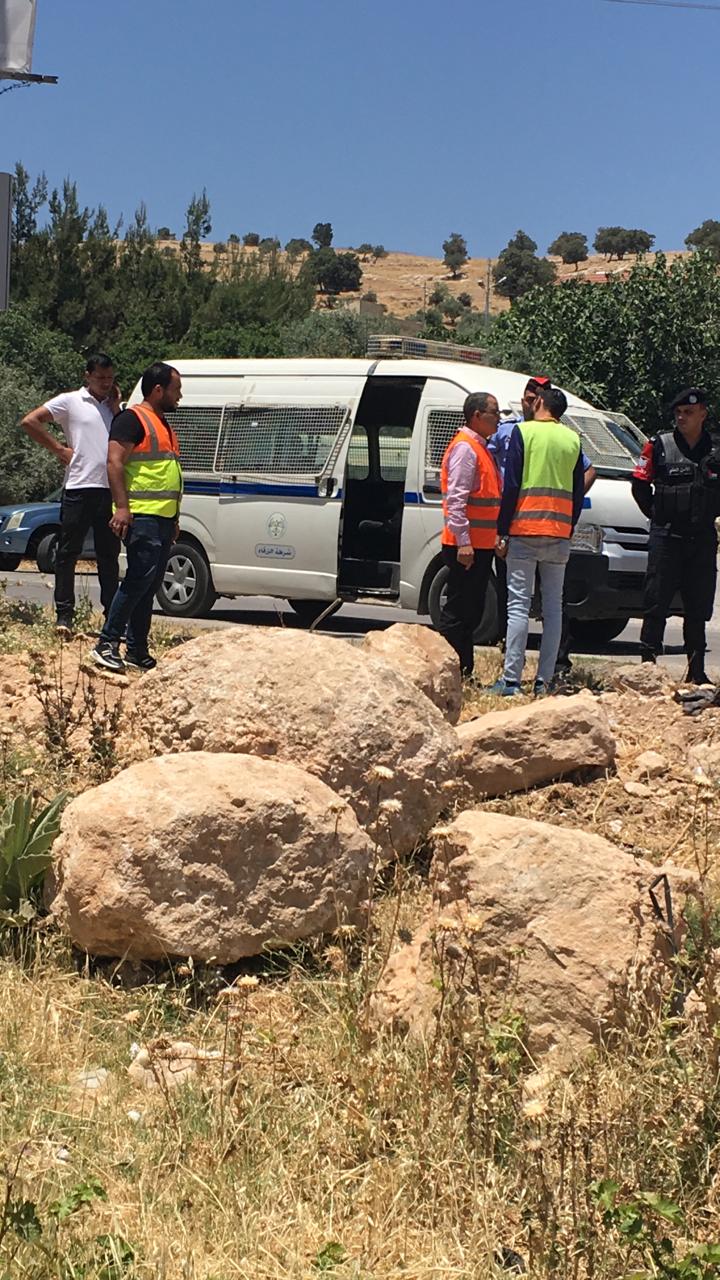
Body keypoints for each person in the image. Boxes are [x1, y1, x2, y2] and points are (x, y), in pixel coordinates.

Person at [488, 375, 596, 670]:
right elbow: (577, 490)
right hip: (558, 534)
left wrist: (502, 531)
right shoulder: (572, 439)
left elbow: (512, 485)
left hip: (524, 531)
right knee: (553, 608)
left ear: (540, 404)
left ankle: (511, 676)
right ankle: (546, 677)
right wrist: (569, 527)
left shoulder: (523, 432)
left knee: (518, 607)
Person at [91, 362, 183, 673]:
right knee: (137, 580)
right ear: (158, 390)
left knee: (149, 584)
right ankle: (107, 642)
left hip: (162, 518)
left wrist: (174, 519)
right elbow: (114, 462)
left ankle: (137, 649)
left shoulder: (162, 423)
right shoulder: (131, 419)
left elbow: (165, 473)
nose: (179, 396)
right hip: (142, 517)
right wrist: (122, 508)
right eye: (176, 389)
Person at [21, 354, 121, 633]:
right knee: (68, 552)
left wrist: (116, 407)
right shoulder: (70, 401)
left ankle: (112, 617)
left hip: (109, 489)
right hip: (79, 486)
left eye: (110, 378)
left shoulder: (115, 408)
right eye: (100, 377)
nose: (105, 383)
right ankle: (64, 615)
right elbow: (30, 421)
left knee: (108, 555)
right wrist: (59, 449)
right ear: (87, 376)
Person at [631, 387, 720, 685]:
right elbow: (639, 484)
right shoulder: (658, 445)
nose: (682, 417)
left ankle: (696, 671)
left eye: (689, 412)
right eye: (678, 412)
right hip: (667, 536)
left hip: (702, 538)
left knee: (698, 607)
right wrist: (657, 515)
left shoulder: (715, 449)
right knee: (655, 603)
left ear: (703, 414)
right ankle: (648, 669)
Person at [438, 391, 502, 677]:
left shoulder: (480, 447)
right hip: (466, 547)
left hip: (480, 545)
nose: (498, 419)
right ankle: (451, 671)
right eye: (494, 413)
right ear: (477, 415)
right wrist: (464, 543)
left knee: (471, 611)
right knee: (458, 612)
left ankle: (464, 672)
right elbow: (456, 500)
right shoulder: (466, 448)